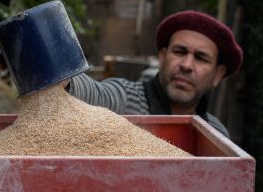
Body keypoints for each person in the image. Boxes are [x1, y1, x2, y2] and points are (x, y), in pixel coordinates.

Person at [65, 10, 243, 138]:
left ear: (218, 74)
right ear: (162, 56)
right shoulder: (127, 99)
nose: (187, 65)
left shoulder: (215, 133)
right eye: (179, 52)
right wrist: (65, 79)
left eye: (201, 58)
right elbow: (95, 93)